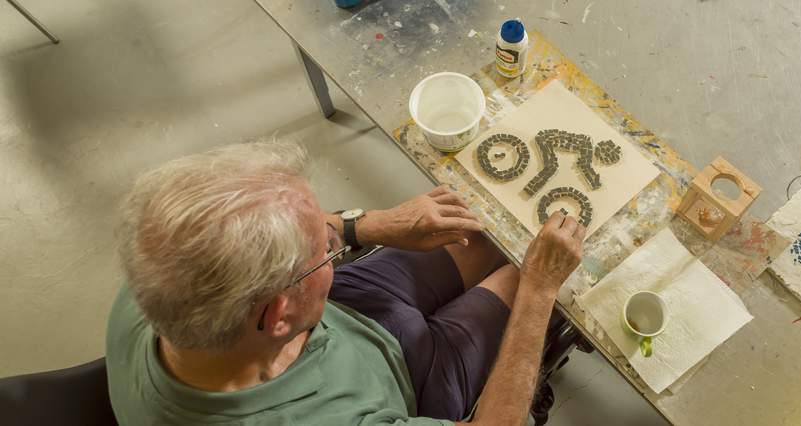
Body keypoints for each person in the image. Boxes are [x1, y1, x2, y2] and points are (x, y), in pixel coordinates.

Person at [106, 141, 584, 425]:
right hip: (414, 386)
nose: (337, 246)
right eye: (325, 251)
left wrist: (366, 225)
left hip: (351, 319)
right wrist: (540, 290)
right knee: (539, 273)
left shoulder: (163, 266)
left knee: (490, 230)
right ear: (278, 315)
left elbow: (319, 245)